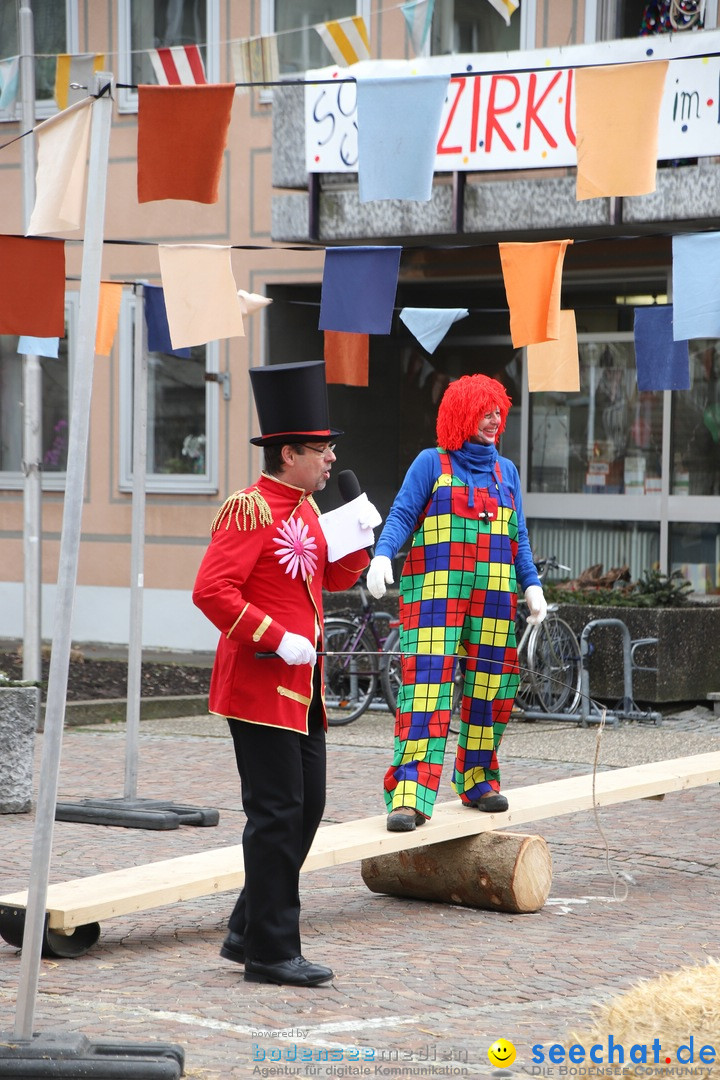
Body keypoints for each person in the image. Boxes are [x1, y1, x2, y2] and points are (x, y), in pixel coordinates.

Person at [193, 361, 371, 987]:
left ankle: (247, 926)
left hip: (304, 692)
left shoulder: (306, 509)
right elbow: (212, 591)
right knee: (275, 815)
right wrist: (276, 637)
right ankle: (270, 950)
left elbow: (330, 580)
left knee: (306, 808)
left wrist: (359, 543)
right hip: (261, 685)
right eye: (320, 450)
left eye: (328, 451)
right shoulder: (248, 509)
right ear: (288, 452)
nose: (328, 460)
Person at [366, 373, 546, 833]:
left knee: (492, 689)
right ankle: (409, 794)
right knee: (426, 691)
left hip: (494, 598)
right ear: (461, 414)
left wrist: (531, 584)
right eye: (483, 410)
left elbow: (518, 536)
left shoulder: (507, 473)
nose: (493, 418)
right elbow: (404, 512)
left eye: (497, 410)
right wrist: (383, 554)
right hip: (434, 597)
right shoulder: (432, 463)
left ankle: (478, 778)